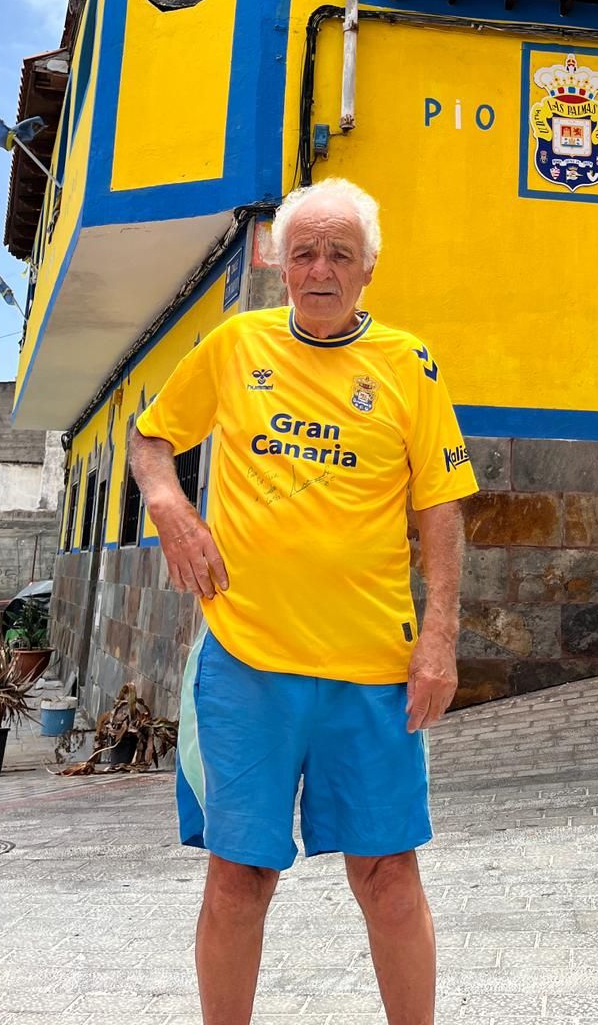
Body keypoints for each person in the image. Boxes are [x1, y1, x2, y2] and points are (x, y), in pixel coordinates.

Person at [128, 178, 478, 1025]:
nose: (320, 269)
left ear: (369, 271)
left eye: (340, 254)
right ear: (280, 262)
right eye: (306, 253)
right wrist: (169, 504)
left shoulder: (408, 363)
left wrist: (440, 639)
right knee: (239, 876)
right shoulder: (235, 345)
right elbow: (149, 436)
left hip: (373, 670)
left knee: (389, 876)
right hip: (247, 664)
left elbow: (440, 505)